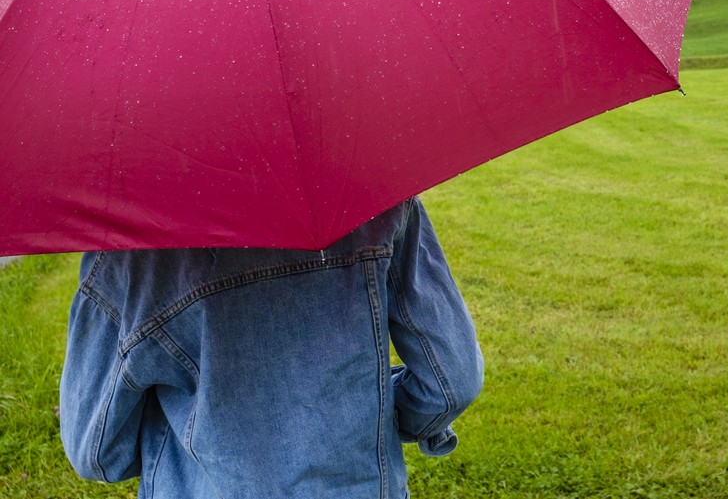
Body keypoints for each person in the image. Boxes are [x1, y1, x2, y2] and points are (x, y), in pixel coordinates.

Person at [59, 196, 483, 498]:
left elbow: (95, 453)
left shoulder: (126, 252)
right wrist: (361, 407)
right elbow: (451, 382)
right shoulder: (376, 200)